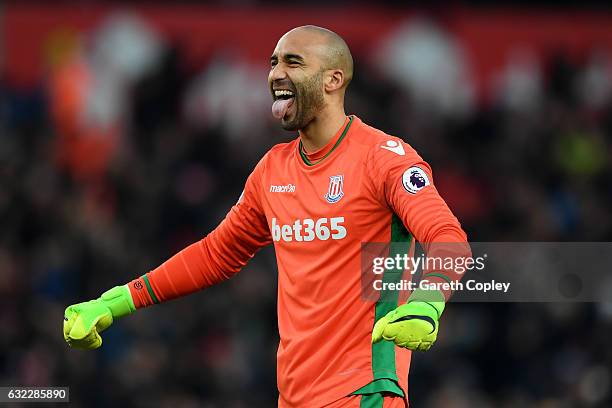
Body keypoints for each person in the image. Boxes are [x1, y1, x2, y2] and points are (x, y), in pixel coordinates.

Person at [63, 25, 470, 408]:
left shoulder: (383, 158)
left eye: (293, 62)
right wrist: (116, 301)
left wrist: (427, 302)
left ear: (333, 79)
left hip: (365, 390)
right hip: (292, 397)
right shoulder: (273, 170)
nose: (276, 73)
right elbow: (215, 255)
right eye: (273, 62)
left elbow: (447, 235)